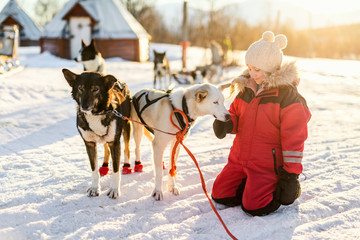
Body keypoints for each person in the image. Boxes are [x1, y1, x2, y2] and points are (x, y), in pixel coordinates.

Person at [211, 31, 311, 216]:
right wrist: (227, 123)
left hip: (266, 164)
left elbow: (294, 140)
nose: (252, 74)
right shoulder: (246, 89)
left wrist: (290, 176)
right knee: (220, 194)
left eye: (257, 70)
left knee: (254, 207)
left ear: (271, 68)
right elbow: (236, 115)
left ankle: (272, 188)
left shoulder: (286, 98)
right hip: (239, 158)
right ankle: (248, 186)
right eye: (249, 68)